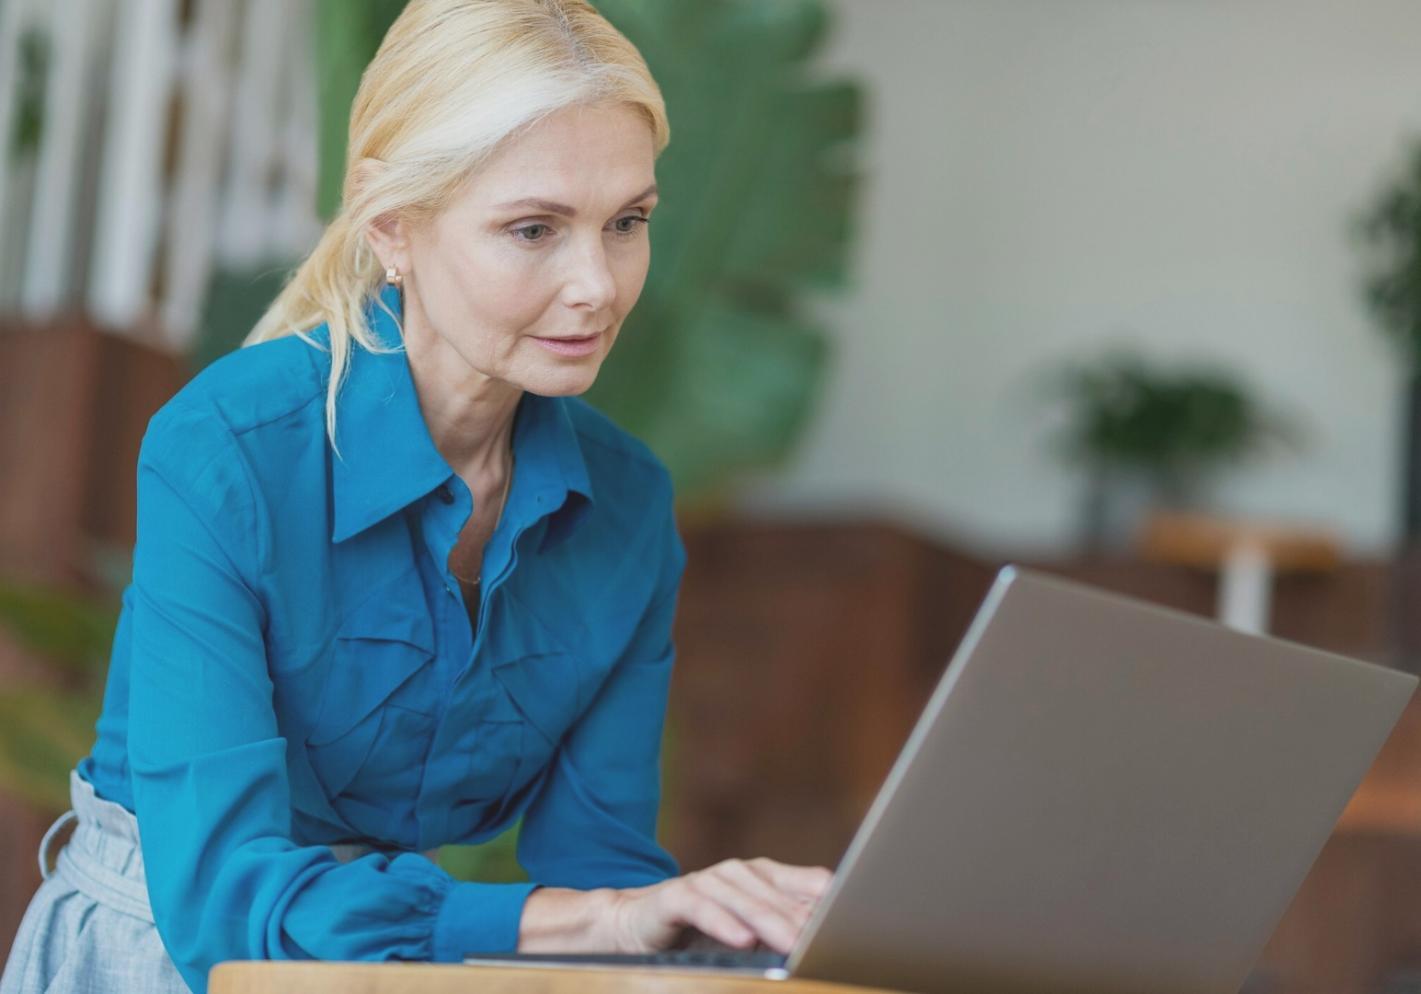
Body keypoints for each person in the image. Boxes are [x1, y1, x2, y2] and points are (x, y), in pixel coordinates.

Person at [0, 2, 832, 992]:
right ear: (393, 226)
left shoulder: (626, 506)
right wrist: (595, 917)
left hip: (404, 972)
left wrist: (729, 927)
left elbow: (603, 876)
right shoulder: (227, 448)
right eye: (533, 228)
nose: (596, 286)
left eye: (626, 223)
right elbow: (226, 900)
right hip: (163, 960)